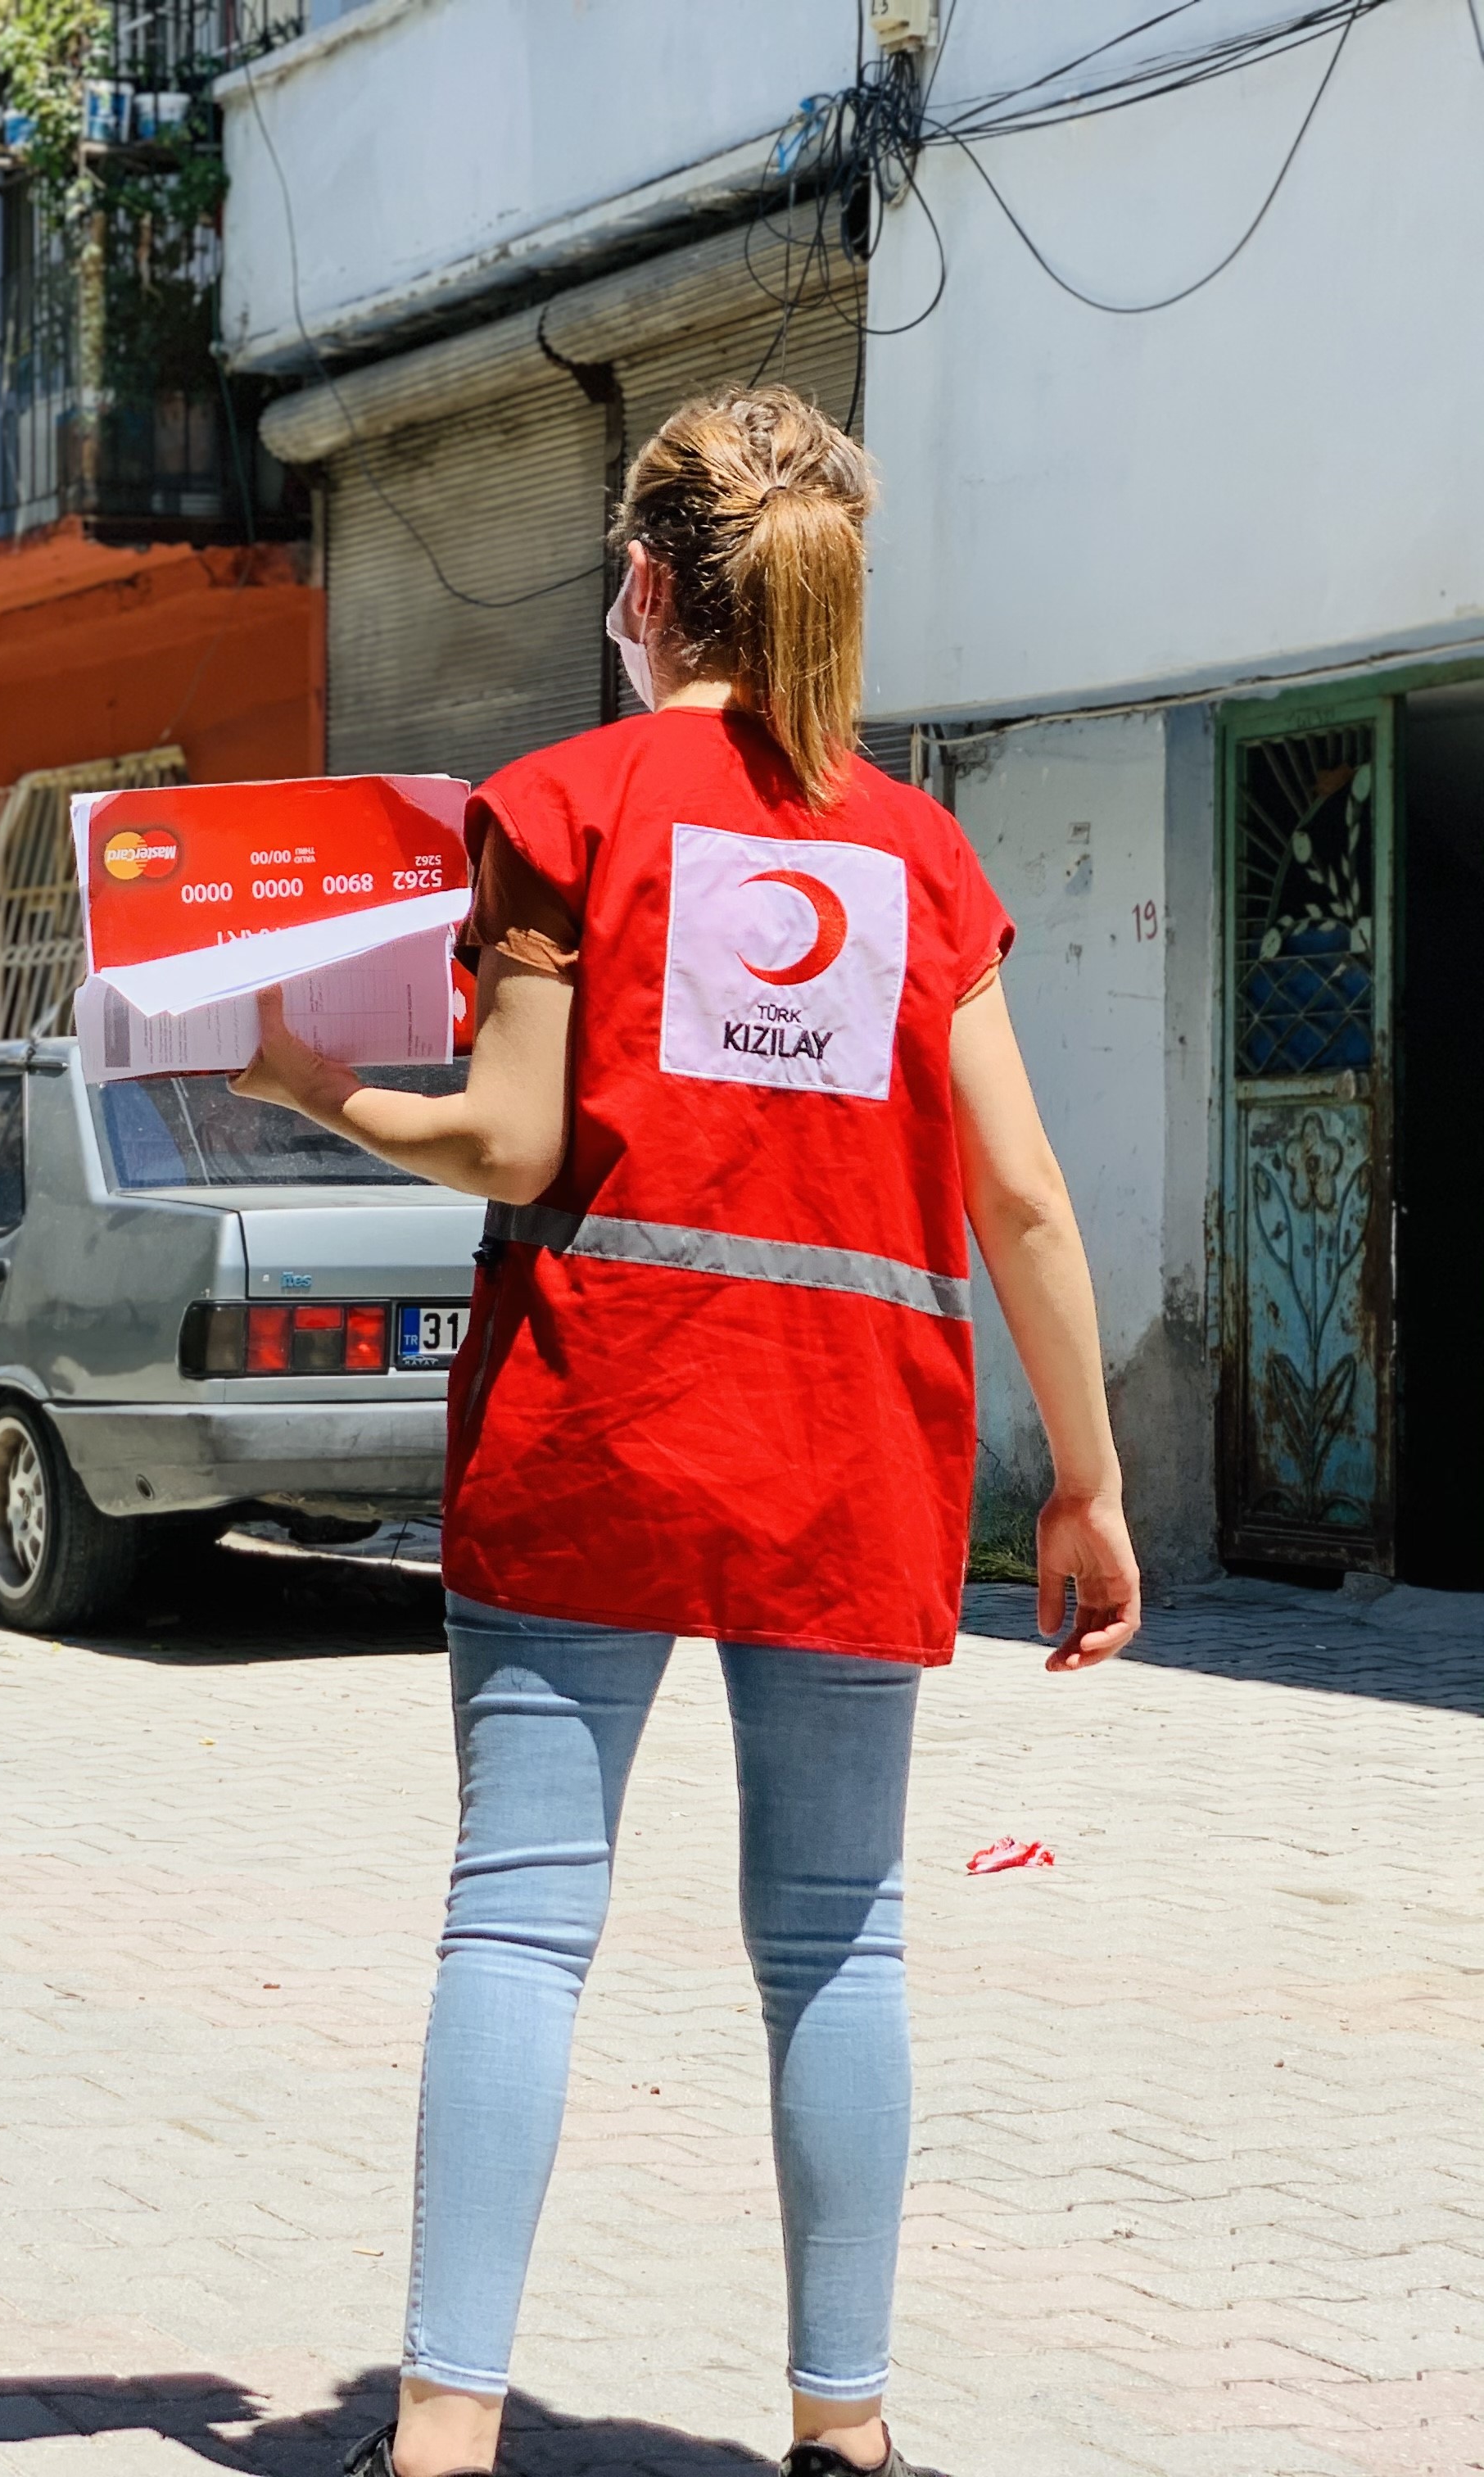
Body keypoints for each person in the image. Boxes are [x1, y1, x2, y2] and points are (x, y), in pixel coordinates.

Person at [229, 387, 1142, 2477]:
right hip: (851, 1449)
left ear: (644, 588)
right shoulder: (911, 845)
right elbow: (1020, 1192)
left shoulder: (565, 800)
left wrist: (304, 1086)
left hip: (598, 1425)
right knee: (838, 1935)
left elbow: (513, 1134)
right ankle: (846, 2435)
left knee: (521, 1919)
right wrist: (1084, 1484)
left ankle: (444, 2437)